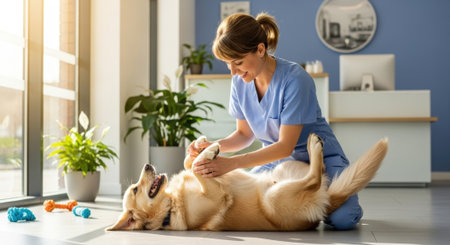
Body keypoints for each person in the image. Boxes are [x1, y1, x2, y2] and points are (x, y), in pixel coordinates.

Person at [187, 12, 362, 230]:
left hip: (319, 159)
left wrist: (232, 163)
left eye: (238, 62)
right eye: (227, 64)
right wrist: (212, 146)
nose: (232, 71)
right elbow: (243, 135)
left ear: (260, 50)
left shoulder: (295, 80)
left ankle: (330, 202)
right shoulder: (240, 81)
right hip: (276, 163)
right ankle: (308, 204)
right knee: (246, 205)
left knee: (342, 218)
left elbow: (285, 146)